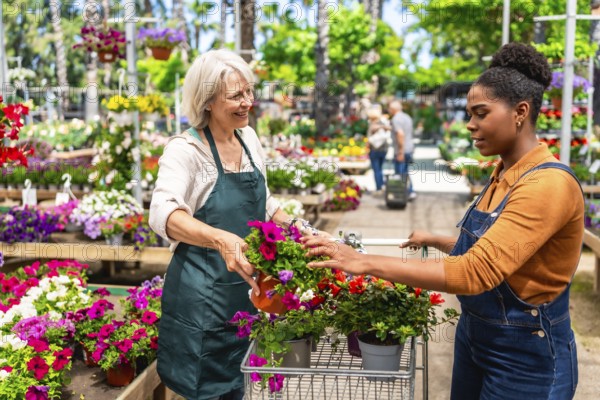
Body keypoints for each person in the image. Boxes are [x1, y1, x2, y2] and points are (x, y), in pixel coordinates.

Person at [302, 43, 583, 400]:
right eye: (470, 113)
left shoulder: (547, 184)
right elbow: (504, 254)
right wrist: (440, 241)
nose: (470, 124)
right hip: (476, 337)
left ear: (520, 112)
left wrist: (362, 262)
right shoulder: (503, 172)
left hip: (525, 355)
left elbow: (475, 273)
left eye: (481, 113)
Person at [149, 49, 318, 400]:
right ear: (208, 101)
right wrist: (221, 239)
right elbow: (163, 213)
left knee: (239, 383)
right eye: (236, 96)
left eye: (250, 92)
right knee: (203, 387)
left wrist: (300, 229)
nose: (248, 102)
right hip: (201, 297)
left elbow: (265, 202)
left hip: (245, 293)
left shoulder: (249, 139)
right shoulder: (186, 151)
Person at [389, 100, 417, 200]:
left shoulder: (396, 119)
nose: (389, 110)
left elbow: (400, 134)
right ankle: (410, 191)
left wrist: (400, 152)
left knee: (400, 174)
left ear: (393, 109)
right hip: (409, 149)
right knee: (405, 172)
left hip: (402, 150)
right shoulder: (407, 117)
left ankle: (402, 194)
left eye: (389, 108)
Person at [365, 106, 391, 192]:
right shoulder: (383, 122)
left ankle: (379, 187)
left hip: (375, 149)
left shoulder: (372, 124)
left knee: (376, 170)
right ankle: (382, 185)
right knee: (380, 169)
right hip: (383, 149)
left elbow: (369, 138)